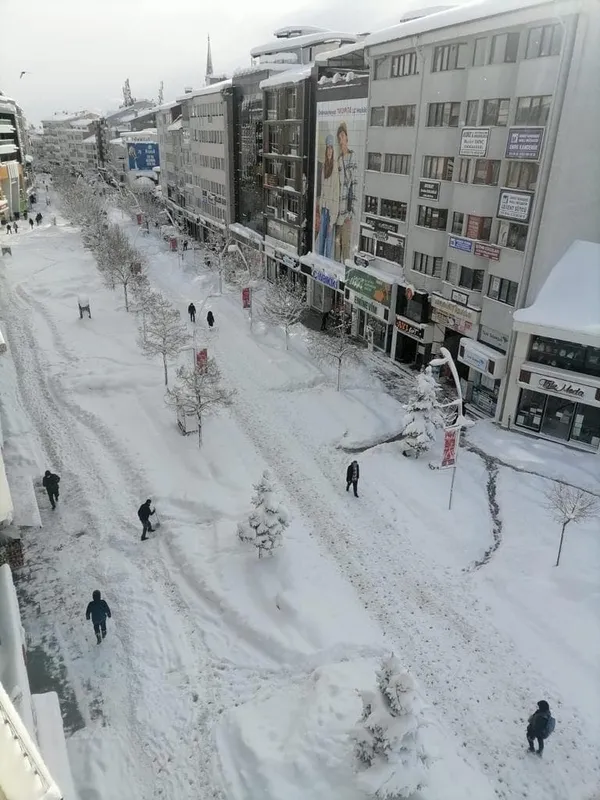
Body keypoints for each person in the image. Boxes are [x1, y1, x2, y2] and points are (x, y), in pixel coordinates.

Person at [335, 122, 358, 264]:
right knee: (336, 246)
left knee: (346, 247)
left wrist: (351, 212)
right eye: (339, 137)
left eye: (342, 136)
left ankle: (345, 273)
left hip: (346, 213)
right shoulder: (338, 159)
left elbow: (354, 184)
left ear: (347, 137)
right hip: (337, 212)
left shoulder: (351, 156)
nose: (341, 140)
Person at [315, 134, 340, 259]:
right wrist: (320, 208)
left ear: (333, 150)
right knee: (321, 243)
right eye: (327, 148)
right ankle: (319, 264)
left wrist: (332, 219)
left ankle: (327, 265)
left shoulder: (335, 166)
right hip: (324, 210)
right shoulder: (325, 166)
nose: (329, 151)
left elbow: (336, 194)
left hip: (331, 211)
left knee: (328, 244)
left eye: (331, 148)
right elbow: (323, 190)